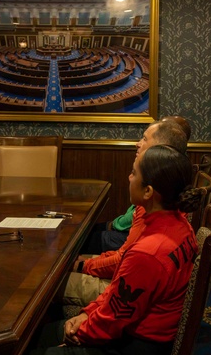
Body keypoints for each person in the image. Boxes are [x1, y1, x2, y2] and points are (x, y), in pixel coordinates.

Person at [22, 145, 203, 355]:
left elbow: (115, 319)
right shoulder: (180, 225)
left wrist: (82, 334)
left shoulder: (149, 252)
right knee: (40, 335)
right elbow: (120, 291)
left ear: (148, 191)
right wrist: (87, 312)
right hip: (136, 342)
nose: (129, 178)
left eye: (133, 173)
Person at [66, 119, 188, 306]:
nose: (129, 177)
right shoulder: (173, 213)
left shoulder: (150, 241)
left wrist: (83, 265)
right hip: (139, 296)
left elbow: (121, 299)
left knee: (48, 283)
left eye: (134, 173)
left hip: (131, 308)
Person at [79, 119, 188, 256]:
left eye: (144, 139)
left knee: (77, 240)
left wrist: (83, 265)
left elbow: (125, 257)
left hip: (130, 242)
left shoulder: (157, 186)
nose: (138, 143)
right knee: (82, 233)